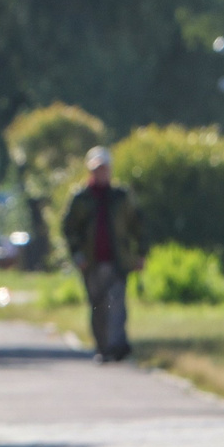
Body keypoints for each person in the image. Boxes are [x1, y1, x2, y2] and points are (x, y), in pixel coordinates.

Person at [62, 147, 145, 362]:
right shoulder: (81, 198)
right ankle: (103, 347)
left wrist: (141, 253)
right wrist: (77, 254)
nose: (100, 173)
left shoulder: (121, 197)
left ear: (110, 170)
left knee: (117, 304)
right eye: (96, 169)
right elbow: (69, 229)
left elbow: (138, 225)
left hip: (118, 261)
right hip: (91, 263)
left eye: (104, 169)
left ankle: (117, 346)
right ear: (90, 171)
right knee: (98, 306)